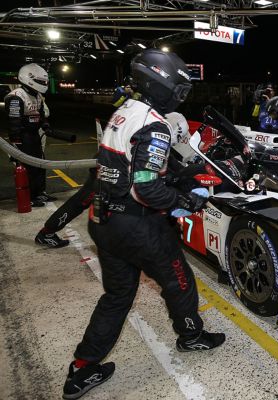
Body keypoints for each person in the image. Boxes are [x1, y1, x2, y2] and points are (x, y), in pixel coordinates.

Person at [62, 49, 225, 400]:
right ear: (163, 83)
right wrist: (185, 201)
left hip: (103, 219)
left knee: (117, 296)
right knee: (179, 281)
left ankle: (82, 368)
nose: (182, 95)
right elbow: (146, 187)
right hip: (136, 226)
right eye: (179, 88)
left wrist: (179, 178)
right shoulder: (155, 124)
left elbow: (131, 169)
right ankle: (191, 336)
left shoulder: (126, 110)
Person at [34, 111, 188, 249]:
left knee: (91, 203)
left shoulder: (147, 125)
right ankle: (47, 233)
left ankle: (48, 232)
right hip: (109, 172)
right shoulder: (156, 136)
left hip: (109, 165)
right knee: (83, 203)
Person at [5, 63, 57, 207]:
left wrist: (45, 126)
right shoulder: (16, 97)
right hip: (23, 137)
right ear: (28, 79)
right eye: (40, 82)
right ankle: (30, 197)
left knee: (40, 164)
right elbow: (14, 122)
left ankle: (40, 193)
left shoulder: (37, 95)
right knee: (28, 168)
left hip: (34, 136)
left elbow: (41, 115)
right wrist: (16, 142)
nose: (42, 85)